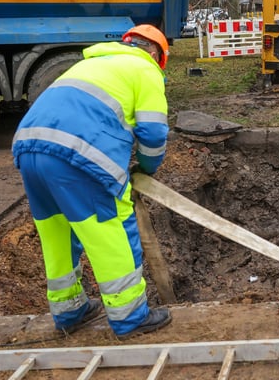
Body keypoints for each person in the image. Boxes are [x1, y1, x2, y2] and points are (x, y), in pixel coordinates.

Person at [12, 24, 173, 339]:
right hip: (78, 155)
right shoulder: (145, 69)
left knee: (56, 233)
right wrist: (147, 168)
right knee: (111, 232)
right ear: (155, 53)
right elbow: (153, 133)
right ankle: (131, 317)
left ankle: (69, 311)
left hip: (28, 146)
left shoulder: (88, 64)